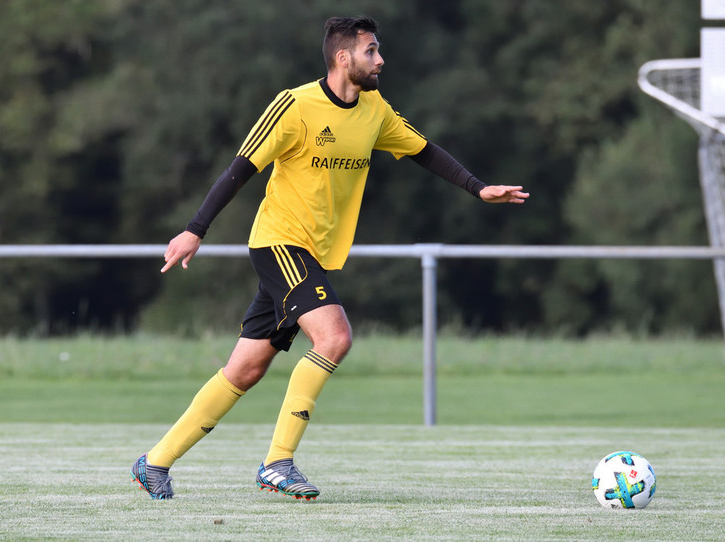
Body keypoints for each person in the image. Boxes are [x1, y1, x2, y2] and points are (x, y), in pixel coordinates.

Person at [131, 15, 529, 501]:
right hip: (280, 242)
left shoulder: (375, 109)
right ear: (343, 57)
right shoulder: (295, 105)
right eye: (371, 51)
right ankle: (278, 462)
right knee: (335, 336)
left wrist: (477, 186)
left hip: (314, 254)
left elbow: (423, 150)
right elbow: (241, 167)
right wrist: (195, 229)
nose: (380, 60)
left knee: (246, 370)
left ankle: (155, 462)